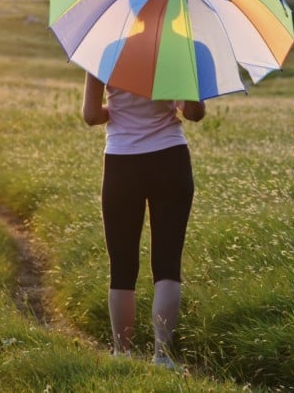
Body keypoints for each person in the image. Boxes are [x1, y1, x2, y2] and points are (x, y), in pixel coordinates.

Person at [82, 72, 205, 370]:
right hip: (171, 160)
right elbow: (194, 113)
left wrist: (118, 111)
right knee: (167, 265)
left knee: (122, 266)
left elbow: (90, 115)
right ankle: (162, 356)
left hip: (122, 162)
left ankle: (122, 354)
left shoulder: (105, 52)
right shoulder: (180, 50)